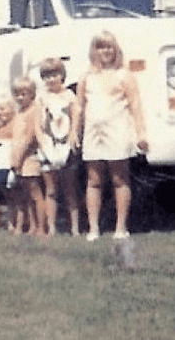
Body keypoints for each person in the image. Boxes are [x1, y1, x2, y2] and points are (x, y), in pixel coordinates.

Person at [76, 30, 148, 241]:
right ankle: (93, 228)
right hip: (93, 132)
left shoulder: (124, 75)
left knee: (119, 179)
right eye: (100, 47)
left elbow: (135, 105)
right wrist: (74, 131)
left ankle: (121, 227)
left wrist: (141, 133)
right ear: (94, 51)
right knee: (94, 180)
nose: (105, 51)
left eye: (109, 47)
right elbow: (79, 105)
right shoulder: (86, 76)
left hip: (118, 130)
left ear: (115, 49)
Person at [35, 57, 81, 236]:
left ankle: (75, 228)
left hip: (65, 145)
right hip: (48, 146)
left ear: (62, 75)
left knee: (70, 189)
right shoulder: (41, 97)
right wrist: (43, 143)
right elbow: (38, 124)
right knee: (51, 190)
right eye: (46, 76)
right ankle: (52, 227)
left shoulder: (69, 95)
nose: (50, 79)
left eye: (54, 74)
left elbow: (76, 118)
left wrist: (73, 135)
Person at [11, 77, 46, 237]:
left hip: (29, 157)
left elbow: (29, 137)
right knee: (27, 194)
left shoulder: (33, 111)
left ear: (32, 94)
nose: (19, 98)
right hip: (19, 158)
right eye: (16, 94)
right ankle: (32, 226)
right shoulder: (19, 112)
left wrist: (18, 158)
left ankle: (41, 227)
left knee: (35, 193)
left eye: (23, 94)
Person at [0, 97, 22, 233]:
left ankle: (19, 225)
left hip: (11, 165)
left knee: (17, 195)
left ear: (12, 110)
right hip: (0, 165)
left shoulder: (15, 124)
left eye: (2, 109)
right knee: (7, 196)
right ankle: (10, 222)